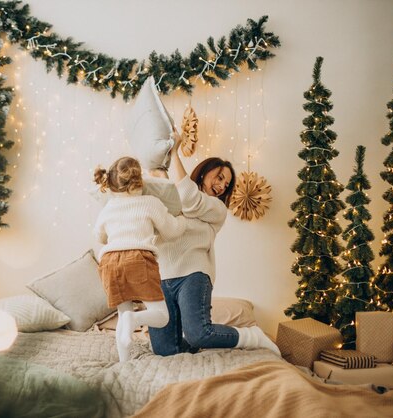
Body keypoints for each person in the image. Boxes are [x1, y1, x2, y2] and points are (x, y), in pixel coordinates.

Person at [148, 133, 281, 356]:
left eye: (226, 184)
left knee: (199, 333)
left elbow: (189, 199)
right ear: (206, 171)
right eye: (219, 177)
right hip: (162, 275)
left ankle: (251, 335)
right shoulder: (176, 195)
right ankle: (192, 343)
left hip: (194, 273)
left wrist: (175, 152)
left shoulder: (217, 209)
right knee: (164, 350)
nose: (221, 185)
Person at [93, 156, 187, 361]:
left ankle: (124, 362)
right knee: (162, 316)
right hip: (138, 258)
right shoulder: (150, 202)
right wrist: (182, 219)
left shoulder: (108, 207)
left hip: (109, 262)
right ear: (140, 181)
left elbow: (99, 236)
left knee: (123, 311)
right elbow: (171, 232)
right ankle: (133, 319)